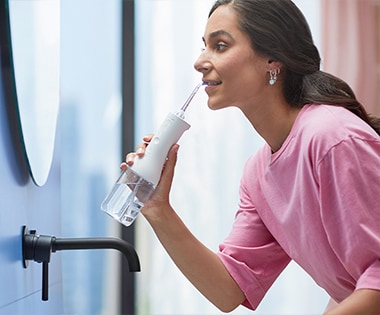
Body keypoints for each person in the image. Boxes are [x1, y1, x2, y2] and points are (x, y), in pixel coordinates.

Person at [122, 0, 380, 313]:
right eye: (204, 46)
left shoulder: (331, 138)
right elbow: (229, 288)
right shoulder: (259, 173)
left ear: (273, 59)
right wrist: (157, 208)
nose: (200, 61)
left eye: (220, 45)